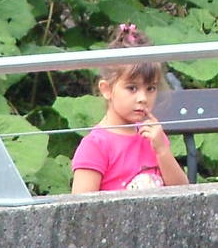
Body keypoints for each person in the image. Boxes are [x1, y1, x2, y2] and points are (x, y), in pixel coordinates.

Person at [70, 24, 190, 193]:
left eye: (151, 88)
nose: (142, 98)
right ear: (107, 89)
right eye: (132, 88)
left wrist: (162, 150)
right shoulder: (95, 145)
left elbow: (184, 192)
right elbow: (80, 209)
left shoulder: (152, 135)